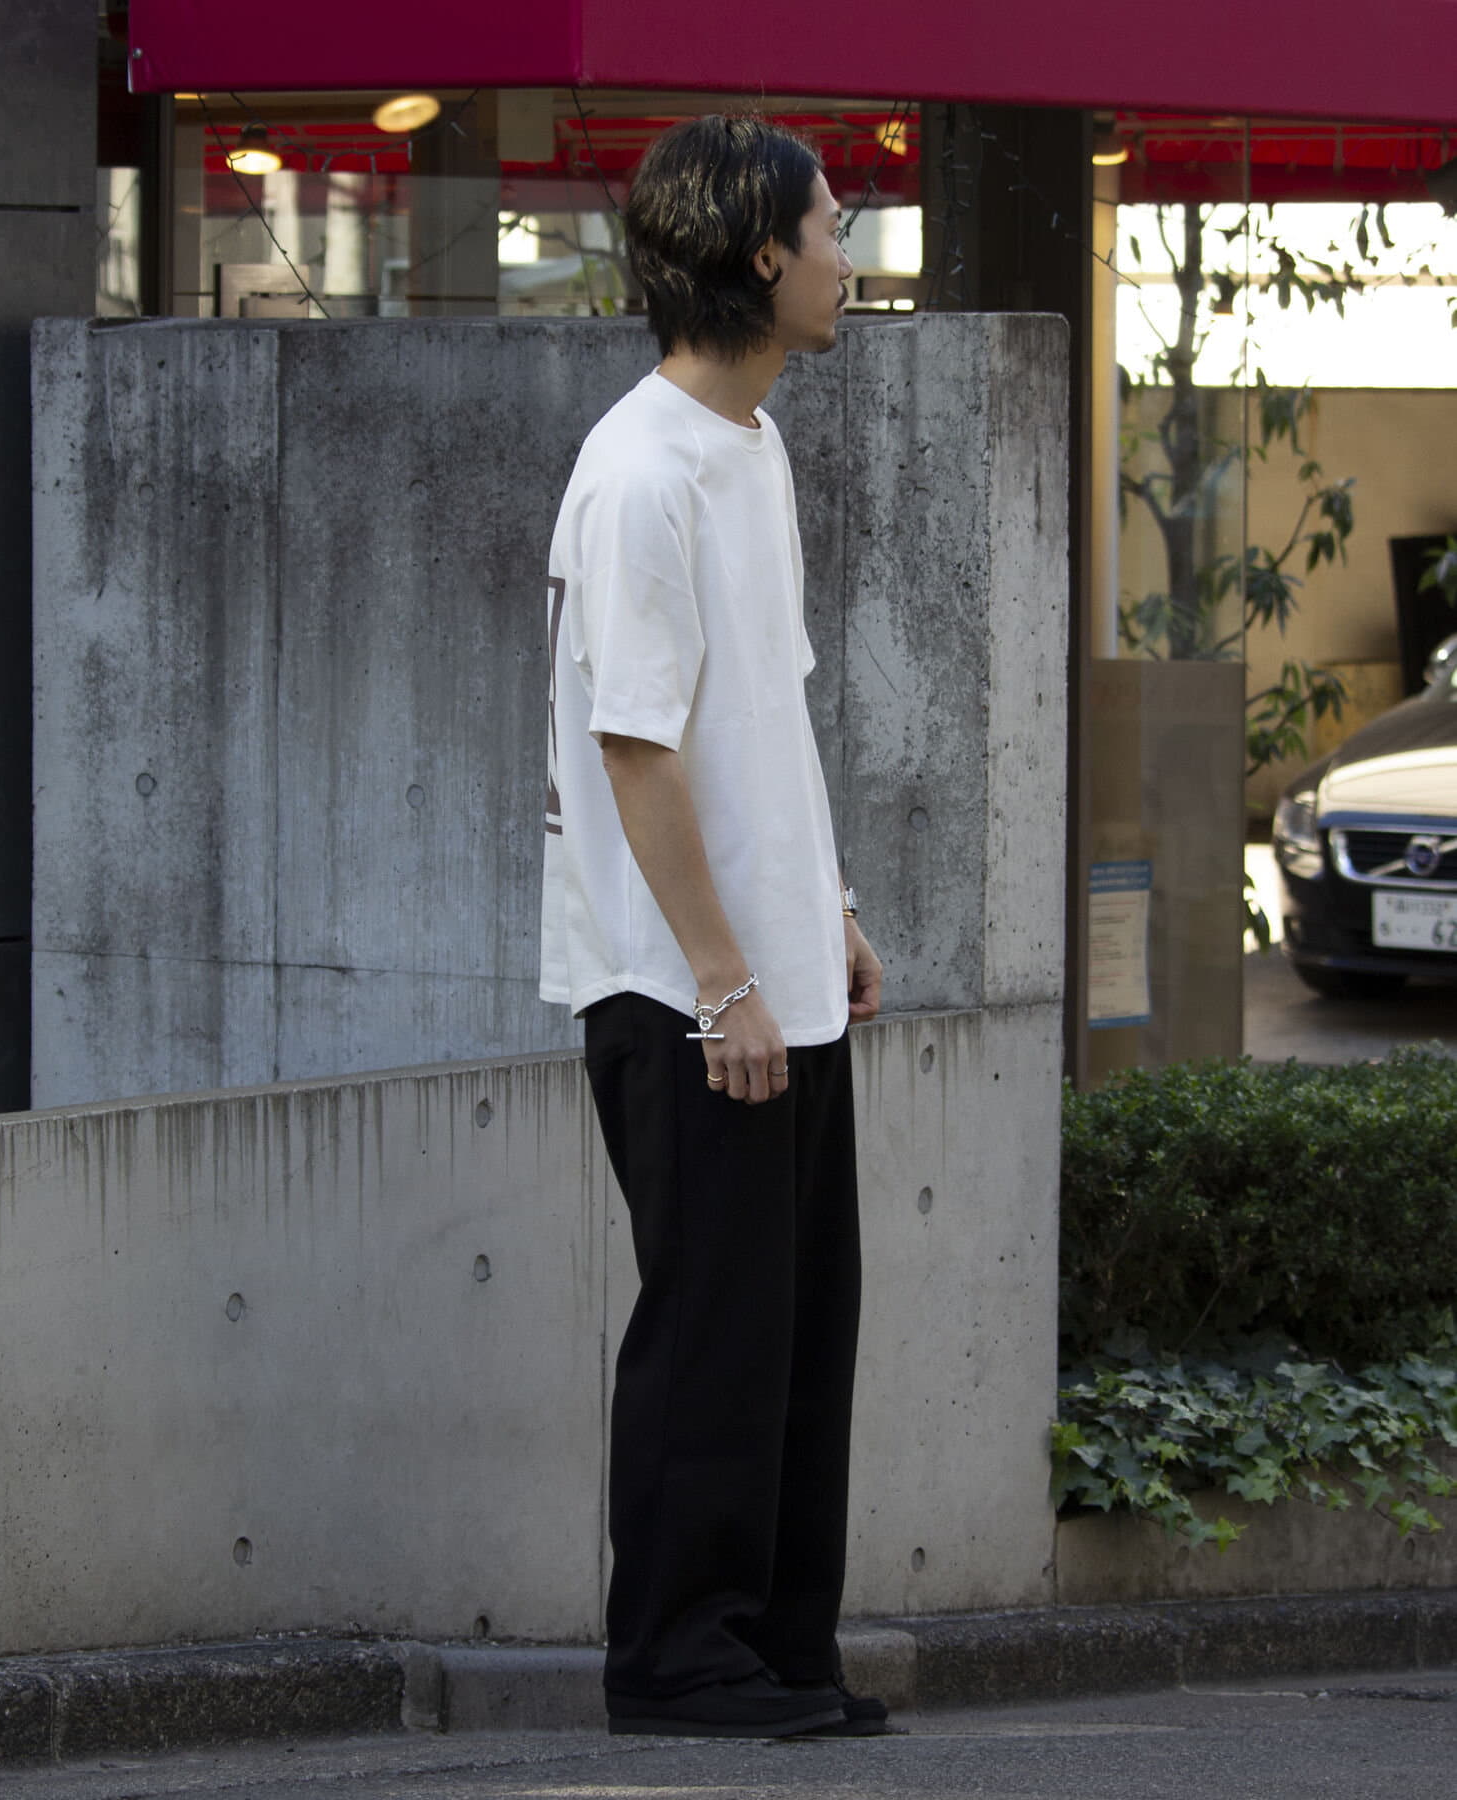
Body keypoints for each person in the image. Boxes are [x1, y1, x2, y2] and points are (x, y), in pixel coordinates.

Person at [539, 114, 884, 1740]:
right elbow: (635, 746)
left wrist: (830, 913)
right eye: (831, 228)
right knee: (712, 1332)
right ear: (759, 253)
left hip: (772, 976)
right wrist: (725, 981)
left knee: (799, 1334)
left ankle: (778, 1650)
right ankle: (676, 1657)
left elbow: (769, 716)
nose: (848, 257)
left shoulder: (751, 448)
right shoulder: (641, 470)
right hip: (684, 990)